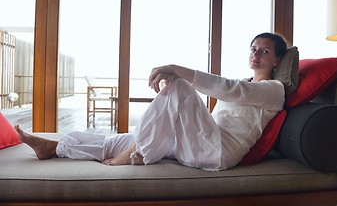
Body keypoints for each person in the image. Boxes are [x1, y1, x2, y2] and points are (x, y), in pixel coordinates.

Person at [15, 32, 287, 171]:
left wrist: (175, 70)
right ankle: (54, 147)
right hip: (201, 143)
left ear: (276, 60)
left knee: (179, 86)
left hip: (218, 153)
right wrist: (170, 111)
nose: (256, 54)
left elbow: (229, 89)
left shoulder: (273, 90)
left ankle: (138, 153)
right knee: (123, 138)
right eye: (253, 49)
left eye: (264, 51)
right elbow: (230, 91)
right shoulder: (248, 83)